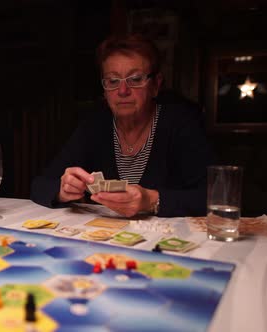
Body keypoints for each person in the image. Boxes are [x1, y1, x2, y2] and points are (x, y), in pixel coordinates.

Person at [30, 34, 214, 217]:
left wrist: (151, 200)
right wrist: (63, 190)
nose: (123, 91)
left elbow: (214, 197)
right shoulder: (94, 127)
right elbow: (40, 185)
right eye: (112, 81)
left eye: (135, 79)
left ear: (155, 85)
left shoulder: (181, 124)